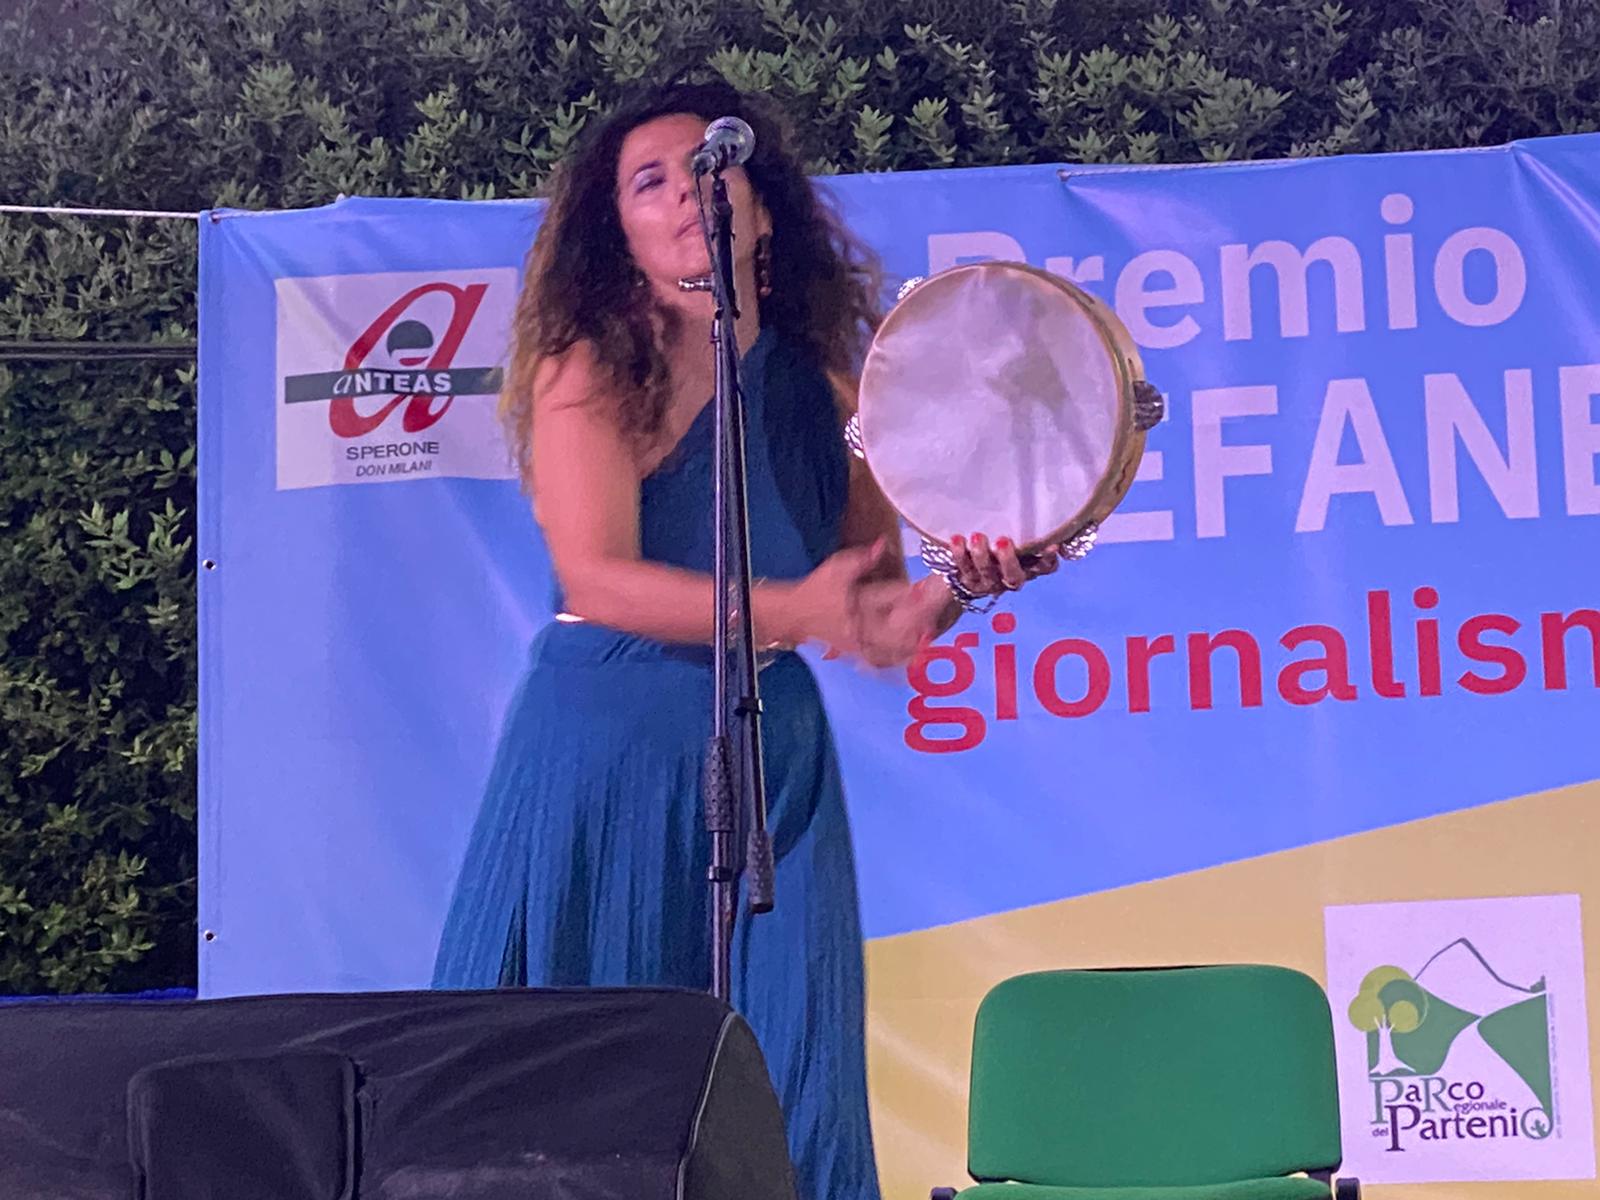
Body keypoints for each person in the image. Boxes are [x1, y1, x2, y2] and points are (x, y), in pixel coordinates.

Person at [431, 81, 1063, 1200]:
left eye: (708, 167)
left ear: (760, 203)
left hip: (773, 756)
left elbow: (874, 614)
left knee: (786, 1075)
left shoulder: (826, 389)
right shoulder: (591, 365)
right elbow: (598, 579)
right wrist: (796, 612)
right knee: (589, 1091)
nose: (686, 193)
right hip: (612, 748)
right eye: (650, 181)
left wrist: (958, 589)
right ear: (618, 230)